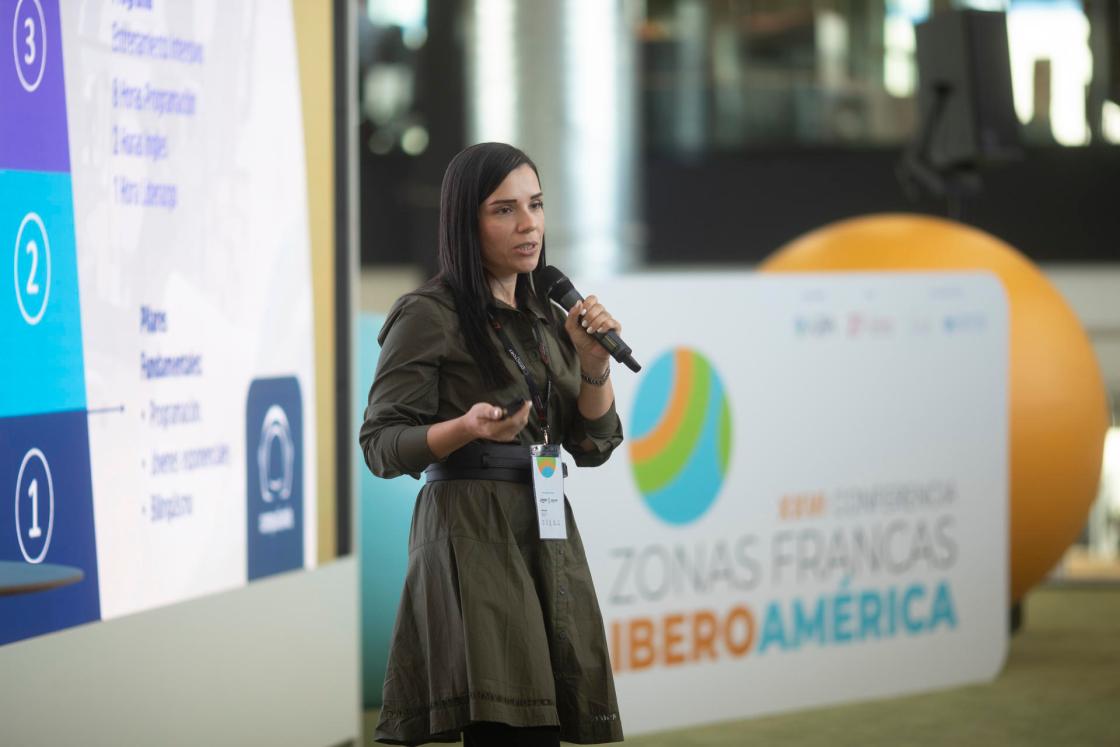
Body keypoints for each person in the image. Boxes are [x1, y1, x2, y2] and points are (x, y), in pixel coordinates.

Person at [360, 142, 626, 746]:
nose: (528, 223)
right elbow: (379, 442)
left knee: (550, 720)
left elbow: (592, 445)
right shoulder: (428, 314)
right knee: (510, 725)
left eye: (534, 205)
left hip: (545, 527)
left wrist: (593, 364)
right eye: (504, 210)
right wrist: (466, 429)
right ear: (466, 222)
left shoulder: (544, 316)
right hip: (471, 530)